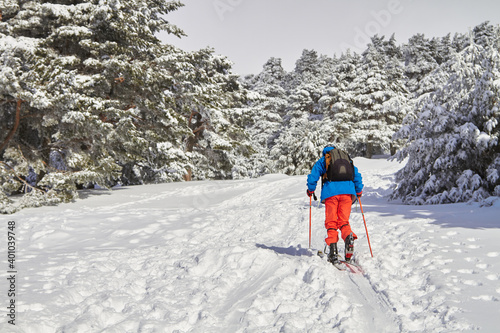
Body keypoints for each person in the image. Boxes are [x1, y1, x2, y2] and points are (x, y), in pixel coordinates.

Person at [306, 145, 363, 264]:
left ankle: (333, 250)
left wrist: (311, 190)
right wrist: (358, 191)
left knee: (331, 221)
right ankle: (348, 237)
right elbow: (356, 175)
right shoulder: (347, 159)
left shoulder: (324, 159)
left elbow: (314, 175)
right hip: (348, 193)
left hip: (331, 193)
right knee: (343, 221)